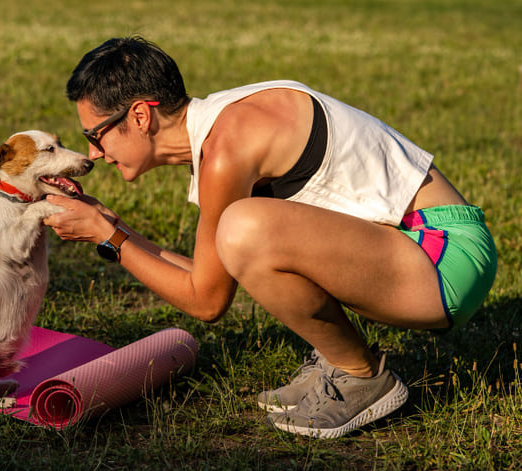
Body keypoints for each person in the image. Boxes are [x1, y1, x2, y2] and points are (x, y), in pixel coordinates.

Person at [44, 36, 497, 438]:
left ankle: (361, 375)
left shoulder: (227, 149)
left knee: (244, 228)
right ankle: (337, 359)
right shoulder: (222, 123)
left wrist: (111, 240)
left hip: (441, 260)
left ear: (141, 116)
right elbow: (213, 275)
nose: (93, 153)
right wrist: (114, 227)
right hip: (424, 249)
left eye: (96, 135)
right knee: (240, 234)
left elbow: (207, 301)